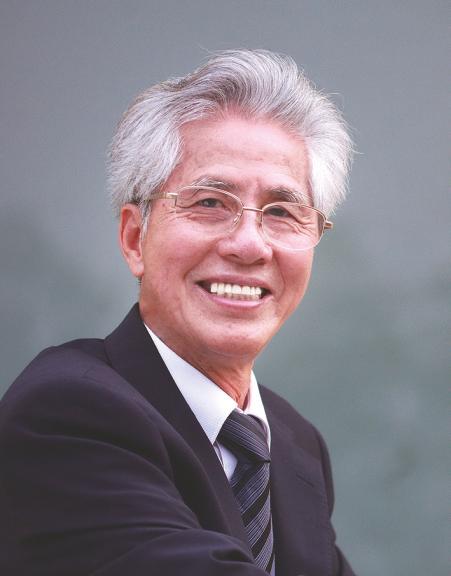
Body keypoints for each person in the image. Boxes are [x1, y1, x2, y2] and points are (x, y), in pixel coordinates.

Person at [0, 49, 356, 575]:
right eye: (210, 202)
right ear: (134, 238)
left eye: (282, 211)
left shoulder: (292, 443)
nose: (249, 245)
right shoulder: (67, 413)